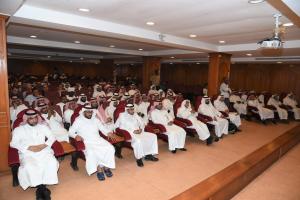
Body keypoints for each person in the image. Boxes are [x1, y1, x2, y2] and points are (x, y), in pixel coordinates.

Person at [10, 109, 59, 200]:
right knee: (30, 166)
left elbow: (52, 137)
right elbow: (13, 143)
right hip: (28, 153)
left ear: (38, 117)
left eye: (35, 118)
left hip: (44, 151)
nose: (34, 120)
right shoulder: (19, 129)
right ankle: (41, 188)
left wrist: (44, 145)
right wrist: (28, 147)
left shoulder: (43, 127)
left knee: (51, 162)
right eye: (31, 118)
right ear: (26, 119)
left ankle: (42, 187)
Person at [69, 104, 116, 181]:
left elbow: (102, 128)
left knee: (110, 148)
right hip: (87, 142)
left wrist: (108, 133)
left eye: (91, 112)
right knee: (92, 152)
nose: (90, 113)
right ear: (83, 112)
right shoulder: (78, 120)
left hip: (98, 140)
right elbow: (71, 131)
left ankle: (106, 166)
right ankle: (99, 169)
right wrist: (76, 136)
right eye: (88, 112)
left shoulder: (95, 120)